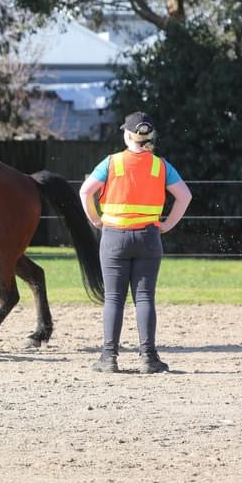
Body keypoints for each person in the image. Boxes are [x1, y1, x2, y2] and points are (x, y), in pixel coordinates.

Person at [78, 111, 192, 374]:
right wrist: (167, 224)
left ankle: (109, 358)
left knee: (114, 298)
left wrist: (96, 219)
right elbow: (184, 196)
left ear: (128, 135)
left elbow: (86, 191)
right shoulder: (160, 165)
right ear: (150, 137)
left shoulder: (112, 162)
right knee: (144, 298)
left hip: (114, 237)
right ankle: (149, 358)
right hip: (148, 237)